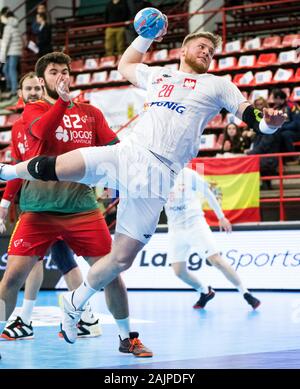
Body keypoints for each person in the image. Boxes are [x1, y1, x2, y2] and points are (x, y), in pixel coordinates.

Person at [0, 30, 287, 352]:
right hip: (130, 154)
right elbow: (126, 65)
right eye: (201, 46)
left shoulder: (219, 85)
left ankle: (75, 303)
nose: (207, 52)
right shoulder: (159, 75)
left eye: (212, 50)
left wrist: (269, 124)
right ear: (184, 49)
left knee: (121, 259)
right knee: (60, 166)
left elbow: (252, 116)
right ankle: (7, 170)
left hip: (161, 174)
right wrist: (145, 36)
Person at [0, 52, 153, 357]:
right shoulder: (33, 112)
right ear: (43, 81)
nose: (61, 77)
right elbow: (41, 132)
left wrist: (140, 144)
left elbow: (114, 147)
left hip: (82, 209)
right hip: (39, 210)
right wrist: (62, 102)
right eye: (54, 72)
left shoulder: (91, 113)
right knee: (11, 278)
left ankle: (127, 338)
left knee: (112, 274)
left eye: (65, 71)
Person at [0, 72, 100, 340]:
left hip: (61, 204)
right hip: (39, 203)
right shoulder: (19, 126)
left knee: (51, 261)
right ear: (20, 93)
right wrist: (5, 200)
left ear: (43, 89)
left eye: (37, 88)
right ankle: (84, 318)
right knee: (62, 261)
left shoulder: (54, 119)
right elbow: (19, 169)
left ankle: (29, 319)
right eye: (28, 89)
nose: (33, 92)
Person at [165, 167, 260, 309]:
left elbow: (208, 194)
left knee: (216, 261)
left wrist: (221, 217)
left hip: (195, 224)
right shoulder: (158, 178)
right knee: (179, 271)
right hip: (175, 229)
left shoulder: (189, 174)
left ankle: (246, 293)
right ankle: (205, 291)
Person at [0, 11, 22, 100]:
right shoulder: (15, 26)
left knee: (11, 69)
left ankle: (13, 90)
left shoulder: (8, 27)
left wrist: (2, 57)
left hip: (12, 52)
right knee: (6, 69)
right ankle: (10, 87)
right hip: (14, 51)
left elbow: (5, 43)